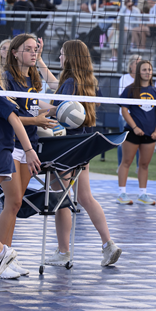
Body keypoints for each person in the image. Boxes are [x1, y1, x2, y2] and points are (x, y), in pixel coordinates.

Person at [46, 40, 121, 269]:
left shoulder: (70, 82)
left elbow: (58, 109)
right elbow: (60, 92)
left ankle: (63, 251)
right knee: (86, 198)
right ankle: (108, 244)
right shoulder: (88, 82)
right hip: (84, 145)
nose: (59, 58)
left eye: (61, 54)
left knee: (60, 199)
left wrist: (32, 106)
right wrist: (39, 62)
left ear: (69, 57)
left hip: (67, 148)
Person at [0, 35, 52, 279]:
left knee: (16, 203)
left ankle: (7, 256)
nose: (33, 53)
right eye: (28, 50)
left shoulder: (33, 77)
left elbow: (35, 105)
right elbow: (12, 116)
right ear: (14, 53)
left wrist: (54, 110)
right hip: (13, 145)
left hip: (28, 142)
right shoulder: (7, 80)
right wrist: (38, 120)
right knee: (12, 203)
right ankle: (3, 257)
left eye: (36, 49)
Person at [117, 60, 156, 205]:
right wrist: (135, 127)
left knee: (144, 164)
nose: (147, 72)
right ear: (138, 72)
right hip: (132, 132)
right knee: (126, 162)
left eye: (149, 69)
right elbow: (124, 110)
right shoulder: (130, 89)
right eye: (144, 70)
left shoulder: (155, 91)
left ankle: (143, 194)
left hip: (150, 134)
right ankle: (122, 193)